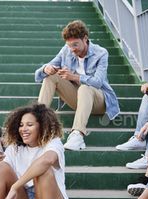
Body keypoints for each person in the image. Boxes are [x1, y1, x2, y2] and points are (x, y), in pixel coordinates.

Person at [35, 19, 120, 151]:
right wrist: (46, 68)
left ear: (85, 39)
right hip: (78, 99)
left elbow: (98, 82)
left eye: (75, 45)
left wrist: (74, 77)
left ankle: (77, 134)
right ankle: (38, 122)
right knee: (51, 76)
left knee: (85, 87)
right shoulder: (66, 50)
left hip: (99, 101)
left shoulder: (101, 53)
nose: (72, 50)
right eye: (69, 46)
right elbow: (40, 72)